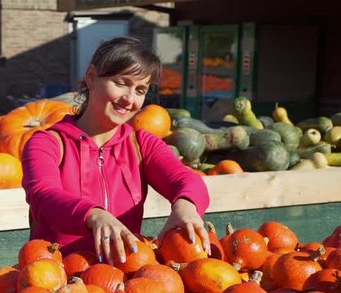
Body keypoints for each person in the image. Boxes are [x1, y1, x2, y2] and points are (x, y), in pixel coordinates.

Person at [21, 36, 210, 265]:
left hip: (123, 281)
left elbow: (186, 179)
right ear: (91, 78)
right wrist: (93, 215)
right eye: (121, 83)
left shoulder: (141, 145)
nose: (129, 99)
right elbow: (43, 195)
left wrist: (186, 204)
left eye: (140, 90)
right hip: (56, 280)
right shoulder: (47, 143)